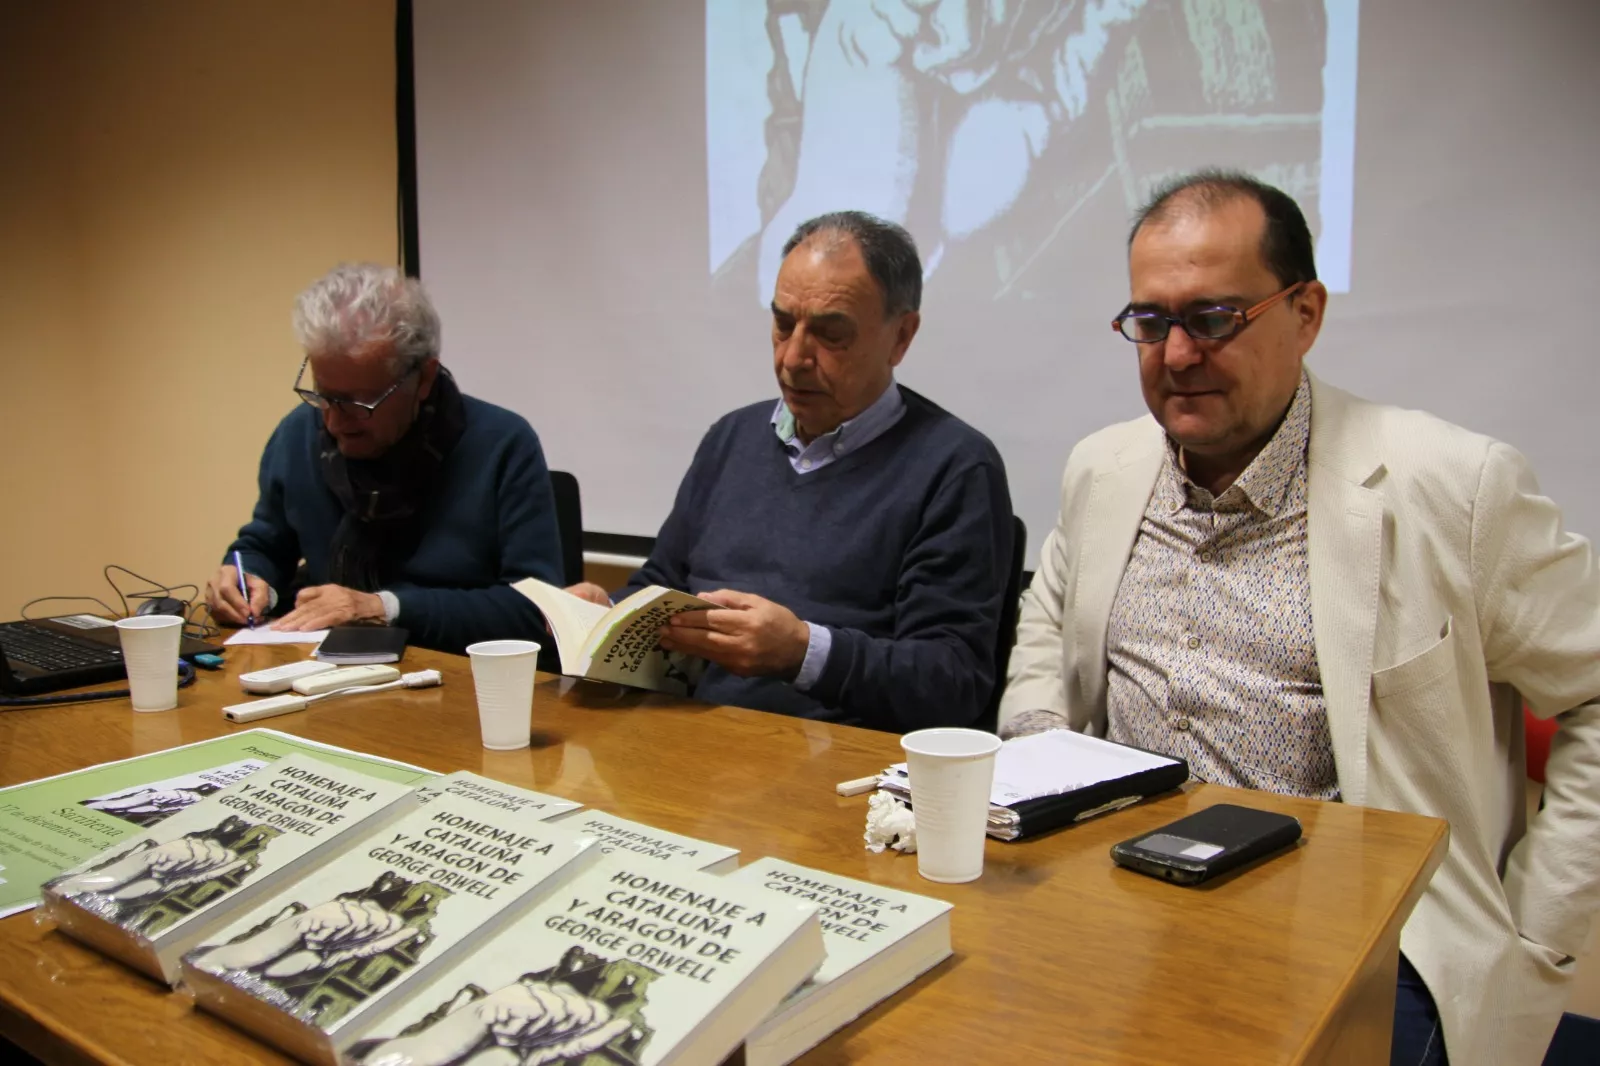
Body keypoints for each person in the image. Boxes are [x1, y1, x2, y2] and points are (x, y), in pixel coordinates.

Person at [999, 170, 1600, 1066]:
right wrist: (1046, 756)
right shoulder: (1104, 468)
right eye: (1150, 322)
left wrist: (1537, 933)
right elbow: (1045, 620)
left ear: (1306, 312)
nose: (1175, 355)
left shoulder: (1452, 487)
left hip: (1369, 945)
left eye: (1212, 319)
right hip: (1119, 899)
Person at [569, 211, 1013, 731]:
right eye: (783, 323)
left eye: (831, 334)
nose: (794, 358)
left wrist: (803, 653)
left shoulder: (955, 468)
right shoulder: (731, 438)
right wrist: (608, 610)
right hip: (691, 746)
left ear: (901, 337)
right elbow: (663, 586)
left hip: (838, 773)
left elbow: (952, 682)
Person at [205, 264, 563, 652]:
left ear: (423, 379)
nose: (334, 420)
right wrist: (248, 580)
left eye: (360, 403)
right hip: (321, 677)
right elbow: (265, 544)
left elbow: (536, 611)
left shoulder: (502, 445)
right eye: (323, 395)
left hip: (456, 680)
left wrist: (383, 607)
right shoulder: (298, 434)